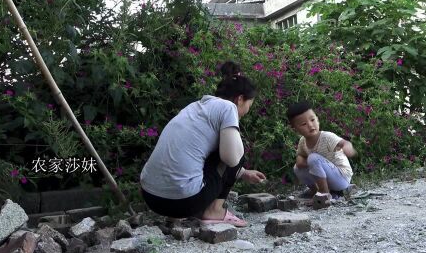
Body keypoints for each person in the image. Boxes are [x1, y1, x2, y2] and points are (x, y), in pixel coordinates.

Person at [140, 61, 266, 227]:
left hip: (151, 198)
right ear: (240, 99)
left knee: (220, 147)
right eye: (249, 105)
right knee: (237, 148)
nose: (247, 111)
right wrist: (238, 161)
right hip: (184, 203)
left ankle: (174, 218)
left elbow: (196, 151)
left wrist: (242, 173)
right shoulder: (229, 108)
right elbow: (231, 158)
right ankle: (214, 210)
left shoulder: (195, 107)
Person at [287, 101, 356, 200]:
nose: (311, 125)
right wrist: (301, 161)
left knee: (313, 158)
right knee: (297, 168)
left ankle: (324, 193)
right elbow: (300, 156)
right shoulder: (302, 141)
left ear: (317, 120)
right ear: (295, 129)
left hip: (341, 178)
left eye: (312, 120)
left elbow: (345, 143)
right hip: (326, 178)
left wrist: (348, 148)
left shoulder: (327, 137)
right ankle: (315, 191)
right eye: (304, 124)